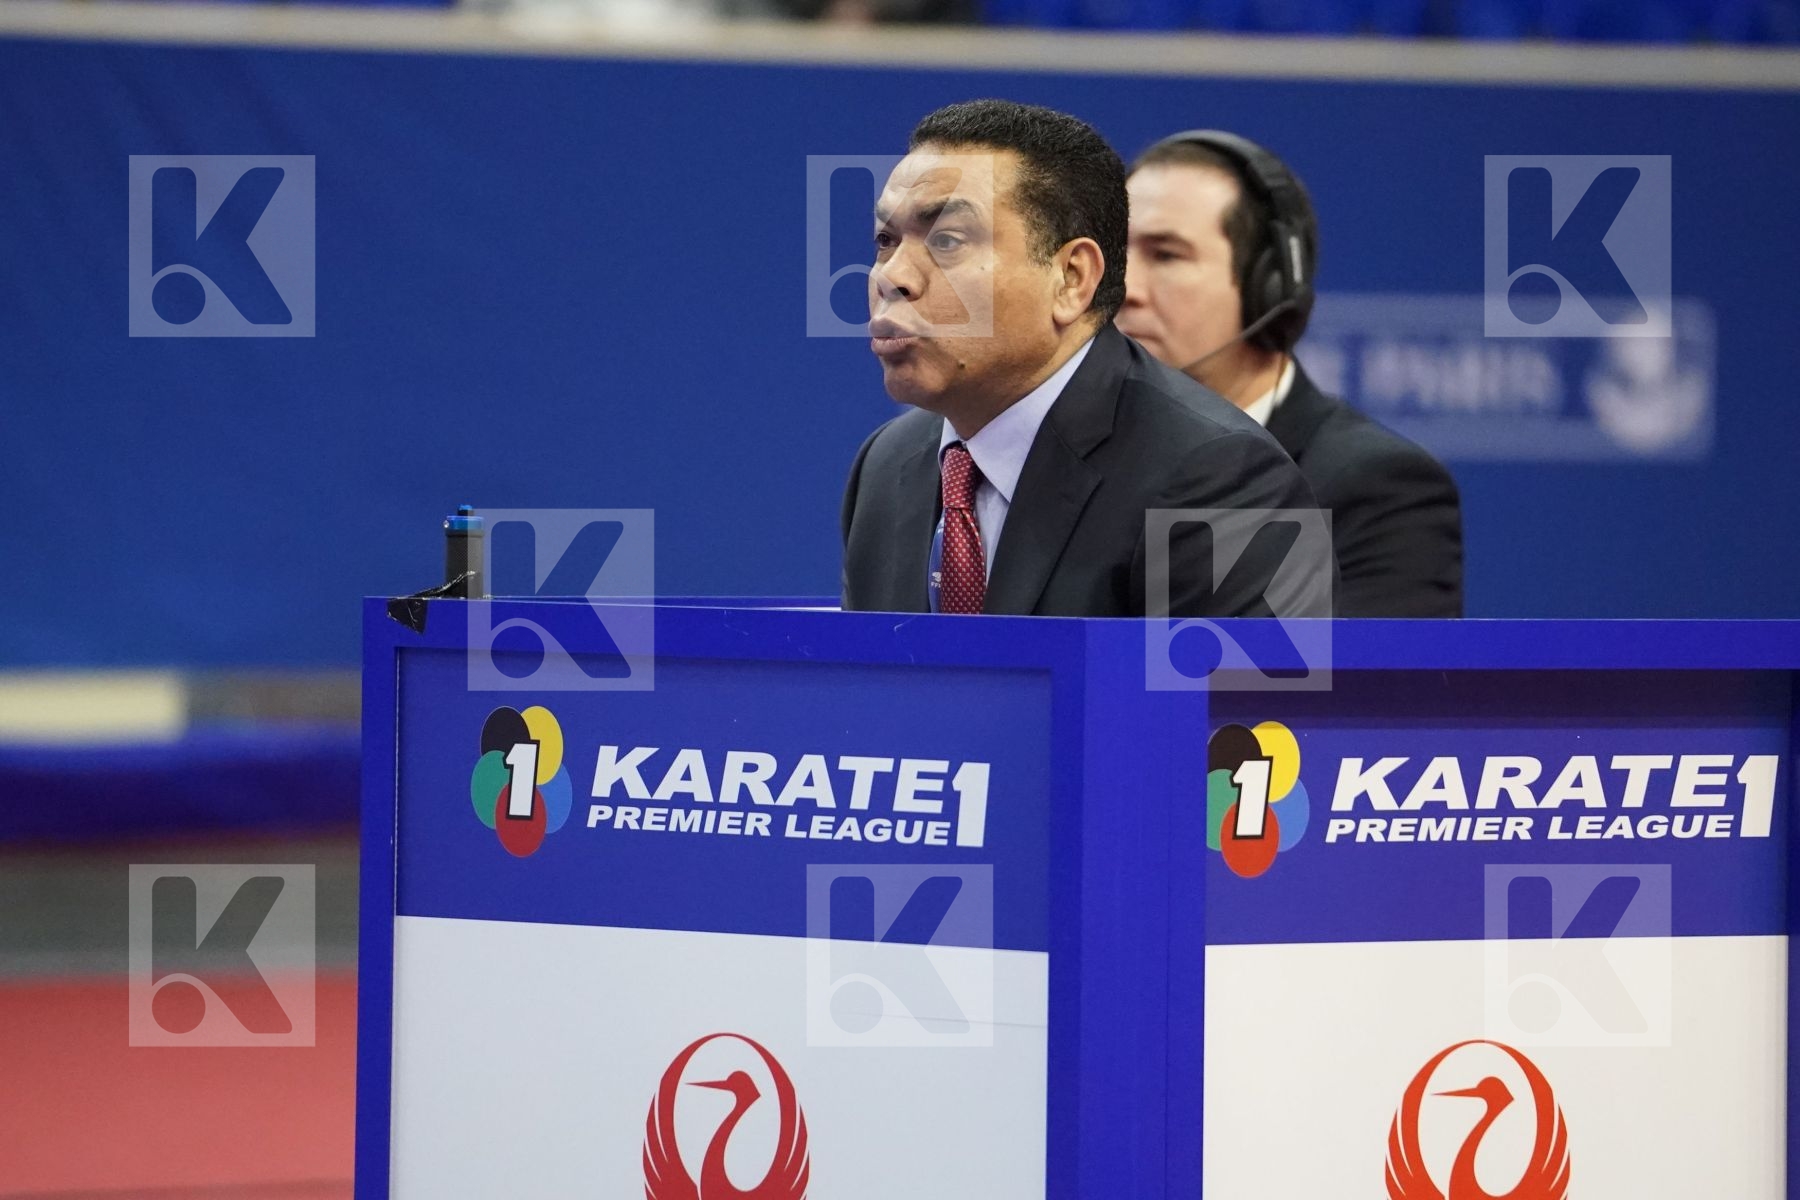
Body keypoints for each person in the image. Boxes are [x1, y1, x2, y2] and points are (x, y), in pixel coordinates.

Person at [840, 100, 1331, 619]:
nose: (892, 276)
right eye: (885, 240)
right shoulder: (887, 465)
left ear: (1072, 278)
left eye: (947, 240)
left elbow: (1249, 700)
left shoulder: (1222, 479)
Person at [1118, 130, 1464, 618]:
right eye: (1115, 256)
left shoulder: (1377, 488)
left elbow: (1351, 691)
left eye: (1166, 255)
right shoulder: (1068, 462)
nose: (1122, 288)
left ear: (1270, 287)